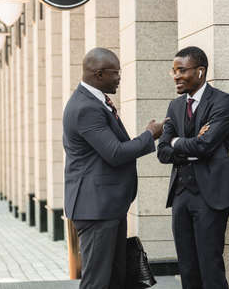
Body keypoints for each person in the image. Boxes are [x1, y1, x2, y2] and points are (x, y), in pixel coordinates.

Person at [63, 47, 165, 289]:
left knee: (115, 280)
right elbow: (116, 153)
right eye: (115, 73)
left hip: (107, 206)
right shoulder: (85, 108)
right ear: (98, 75)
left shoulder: (96, 102)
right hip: (96, 209)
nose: (120, 78)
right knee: (98, 282)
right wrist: (150, 135)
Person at [157, 46, 229, 289]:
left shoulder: (222, 101)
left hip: (211, 197)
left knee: (211, 267)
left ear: (200, 72)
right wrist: (185, 143)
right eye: (173, 70)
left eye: (181, 70)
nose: (175, 76)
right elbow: (163, 152)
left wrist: (179, 142)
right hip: (180, 197)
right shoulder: (174, 107)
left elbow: (206, 146)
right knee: (187, 268)